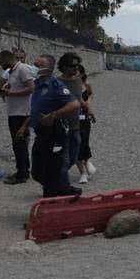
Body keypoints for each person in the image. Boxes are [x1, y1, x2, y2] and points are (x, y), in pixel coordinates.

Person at [17, 54, 82, 196]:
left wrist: (53, 115)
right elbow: (35, 110)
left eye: (37, 65)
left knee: (51, 172)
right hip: (40, 134)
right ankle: (64, 190)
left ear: (46, 70)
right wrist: (24, 127)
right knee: (37, 172)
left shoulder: (55, 85)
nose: (32, 67)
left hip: (54, 134)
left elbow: (75, 104)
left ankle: (53, 200)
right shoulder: (38, 85)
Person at [0, 50, 36, 185]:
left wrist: (12, 93)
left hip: (22, 113)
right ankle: (22, 170)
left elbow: (31, 88)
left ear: (7, 59)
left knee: (20, 144)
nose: (0, 64)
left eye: (0, 61)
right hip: (14, 112)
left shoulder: (22, 69)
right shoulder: (12, 71)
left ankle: (22, 173)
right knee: (17, 144)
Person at [56, 52, 87, 183]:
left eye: (77, 65)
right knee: (64, 157)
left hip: (76, 125)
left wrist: (88, 110)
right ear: (63, 67)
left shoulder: (78, 81)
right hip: (61, 126)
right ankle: (60, 183)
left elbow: (79, 99)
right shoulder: (57, 83)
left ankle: (57, 175)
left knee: (74, 155)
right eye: (73, 66)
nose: (76, 68)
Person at [75, 61, 98, 183]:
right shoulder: (69, 85)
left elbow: (91, 94)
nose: (75, 73)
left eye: (77, 71)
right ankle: (82, 173)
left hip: (84, 118)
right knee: (76, 144)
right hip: (72, 118)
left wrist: (88, 103)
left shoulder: (86, 85)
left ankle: (87, 162)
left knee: (84, 142)